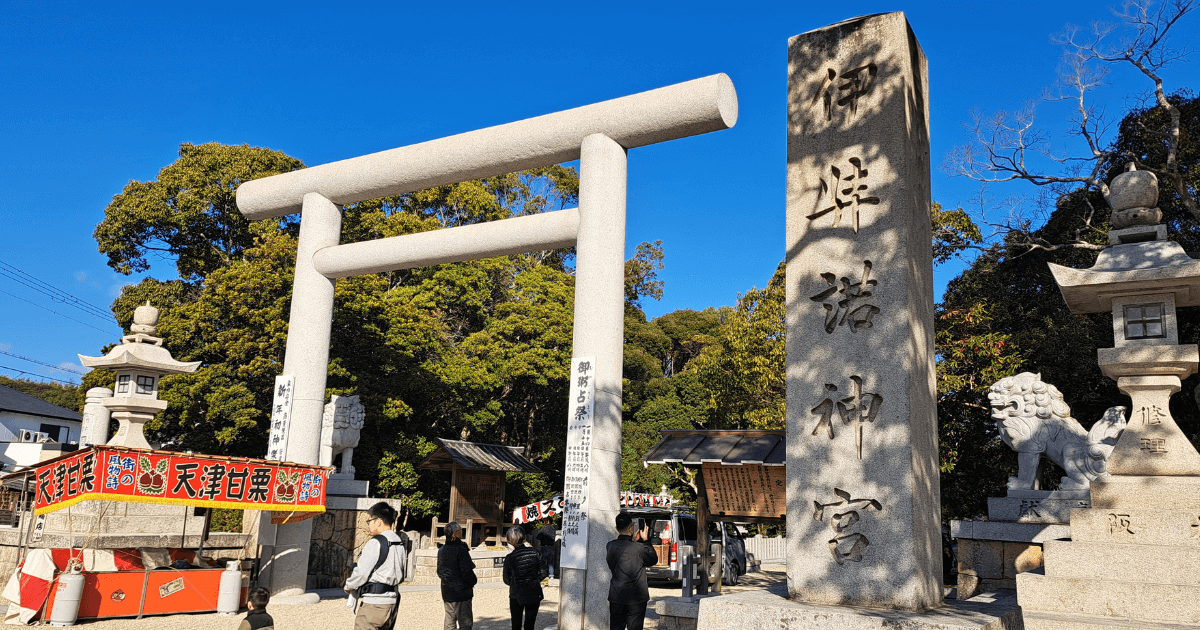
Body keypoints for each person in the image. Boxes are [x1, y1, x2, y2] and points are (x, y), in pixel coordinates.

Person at [344, 502, 407, 630]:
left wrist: (349, 585)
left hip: (374, 604)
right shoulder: (399, 542)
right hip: (392, 602)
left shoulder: (375, 543)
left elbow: (361, 573)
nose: (369, 525)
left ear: (378, 521)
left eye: (370, 521)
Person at [606, 512, 658, 630]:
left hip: (616, 595)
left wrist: (634, 540)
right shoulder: (639, 548)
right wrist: (645, 541)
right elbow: (653, 559)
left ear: (616, 528)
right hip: (637, 597)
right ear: (631, 529)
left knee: (616, 627)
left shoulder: (610, 546)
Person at [503, 526, 548, 630]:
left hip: (516, 592)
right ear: (524, 537)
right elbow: (544, 572)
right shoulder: (536, 552)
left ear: (509, 541)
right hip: (533, 590)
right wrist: (535, 580)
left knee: (516, 624)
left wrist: (516, 582)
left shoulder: (509, 558)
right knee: (530, 624)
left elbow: (506, 579)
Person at [438, 521, 477, 630]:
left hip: (447, 590)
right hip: (462, 591)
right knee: (465, 622)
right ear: (455, 534)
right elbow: (466, 572)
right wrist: (473, 581)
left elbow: (439, 571)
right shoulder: (461, 550)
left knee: (449, 621)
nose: (461, 531)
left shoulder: (442, 550)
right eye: (459, 530)